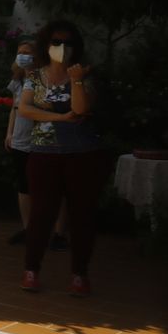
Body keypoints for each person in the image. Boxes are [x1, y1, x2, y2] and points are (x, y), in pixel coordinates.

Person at [18, 20, 104, 298]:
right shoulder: (35, 76)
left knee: (82, 215)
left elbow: (81, 108)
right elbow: (25, 110)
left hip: (81, 155)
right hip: (44, 154)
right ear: (46, 45)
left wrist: (76, 80)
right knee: (41, 214)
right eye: (56, 42)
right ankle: (31, 270)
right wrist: (59, 117)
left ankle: (80, 274)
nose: (61, 48)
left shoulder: (84, 75)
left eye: (67, 43)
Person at [5, 40, 67, 249]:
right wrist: (10, 133)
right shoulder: (17, 81)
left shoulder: (47, 78)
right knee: (24, 186)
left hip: (45, 139)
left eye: (27, 53)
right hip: (21, 140)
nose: (22, 56)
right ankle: (28, 229)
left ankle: (58, 233)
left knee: (53, 186)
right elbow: (14, 108)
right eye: (19, 52)